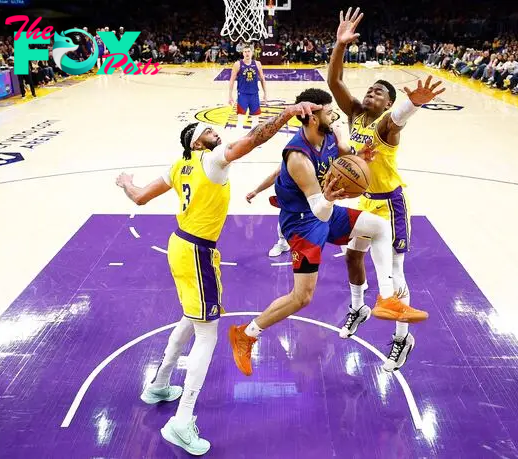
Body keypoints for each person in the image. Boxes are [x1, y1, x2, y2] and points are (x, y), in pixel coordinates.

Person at [115, 100, 321, 456]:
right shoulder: (211, 159)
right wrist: (288, 114)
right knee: (208, 335)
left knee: (189, 318)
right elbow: (255, 138)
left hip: (179, 246)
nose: (217, 133)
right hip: (197, 252)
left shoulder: (178, 166)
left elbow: (139, 197)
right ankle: (181, 421)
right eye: (209, 131)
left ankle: (160, 384)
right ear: (197, 142)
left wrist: (126, 183)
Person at [228, 88, 429, 377]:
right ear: (311, 118)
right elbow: (320, 212)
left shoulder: (331, 134)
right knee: (301, 298)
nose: (333, 114)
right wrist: (332, 197)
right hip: (303, 223)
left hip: (323, 207)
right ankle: (246, 334)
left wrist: (361, 157)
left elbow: (346, 157)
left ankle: (387, 298)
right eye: (327, 110)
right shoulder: (298, 158)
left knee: (380, 227)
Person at [327, 7, 444, 372]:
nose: (371, 93)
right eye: (370, 89)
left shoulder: (385, 125)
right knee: (351, 255)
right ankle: (358, 306)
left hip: (391, 205)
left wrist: (412, 104)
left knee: (394, 273)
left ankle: (401, 338)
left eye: (379, 92)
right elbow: (334, 83)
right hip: (365, 200)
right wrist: (339, 46)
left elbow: (396, 120)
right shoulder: (357, 114)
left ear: (388, 102)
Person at [245, 165, 291, 257]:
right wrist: (256, 191)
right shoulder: (289, 155)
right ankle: (283, 243)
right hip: (291, 198)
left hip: (309, 195)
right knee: (285, 217)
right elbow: (275, 174)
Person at [228, 44, 268, 121]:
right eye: (245, 52)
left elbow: (262, 79)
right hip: (242, 95)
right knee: (240, 119)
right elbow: (232, 80)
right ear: (242, 53)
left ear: (252, 53)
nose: (247, 53)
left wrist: (265, 93)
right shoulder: (237, 64)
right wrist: (230, 96)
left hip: (254, 94)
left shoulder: (257, 64)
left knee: (255, 119)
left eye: (248, 51)